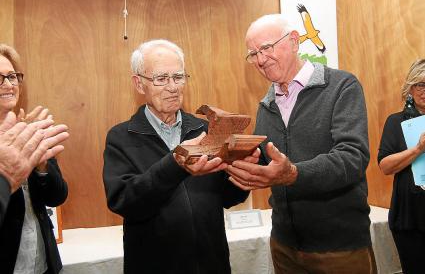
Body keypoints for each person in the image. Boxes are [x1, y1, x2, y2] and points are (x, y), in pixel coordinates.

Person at [226, 14, 377, 273]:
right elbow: (267, 161)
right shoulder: (266, 105)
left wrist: (293, 173)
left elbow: (353, 158)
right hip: (284, 246)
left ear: (294, 41)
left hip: (338, 248)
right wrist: (239, 160)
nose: (260, 60)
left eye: (266, 48)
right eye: (253, 54)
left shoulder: (342, 86)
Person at [103, 39, 251, 274]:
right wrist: (175, 163)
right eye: (161, 79)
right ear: (139, 84)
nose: (173, 87)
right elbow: (125, 202)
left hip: (212, 264)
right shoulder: (122, 137)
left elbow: (227, 198)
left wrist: (241, 173)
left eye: (178, 77)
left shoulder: (204, 130)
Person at [0, 44, 69, 274]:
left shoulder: (28, 130)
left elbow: (58, 196)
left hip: (42, 262)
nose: (9, 85)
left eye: (12, 76)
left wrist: (41, 165)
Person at [378, 59, 425, 274]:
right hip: (409, 217)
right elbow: (385, 166)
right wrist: (418, 149)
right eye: (420, 84)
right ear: (411, 87)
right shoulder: (395, 122)